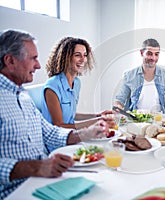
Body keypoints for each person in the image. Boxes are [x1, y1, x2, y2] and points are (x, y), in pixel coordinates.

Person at [0, 29, 109, 199]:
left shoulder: (22, 96)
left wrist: (87, 132)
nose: (38, 66)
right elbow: (57, 124)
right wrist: (37, 167)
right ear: (10, 60)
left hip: (42, 179)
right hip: (14, 191)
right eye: (33, 58)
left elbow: (50, 133)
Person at [41, 37, 113, 129]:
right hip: (57, 140)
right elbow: (59, 125)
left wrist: (97, 116)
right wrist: (96, 122)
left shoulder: (76, 83)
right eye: (78, 55)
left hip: (71, 134)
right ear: (66, 57)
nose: (83, 60)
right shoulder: (53, 85)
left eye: (85, 55)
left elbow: (71, 115)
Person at [114, 38, 165, 113]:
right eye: (149, 53)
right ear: (141, 53)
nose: (153, 58)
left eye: (156, 54)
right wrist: (117, 107)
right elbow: (120, 100)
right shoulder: (129, 75)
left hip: (160, 120)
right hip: (136, 121)